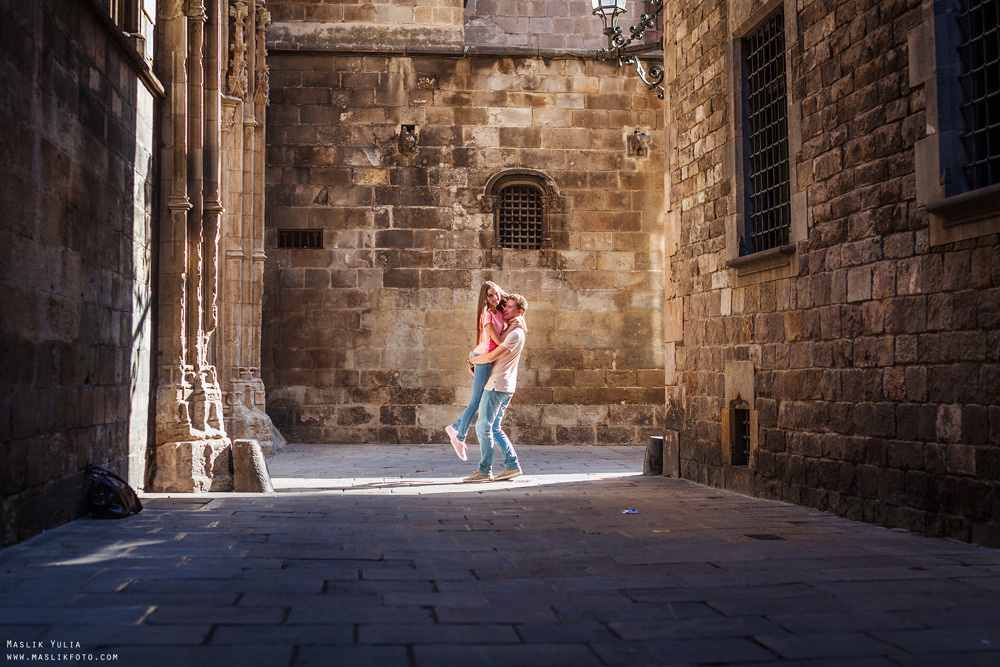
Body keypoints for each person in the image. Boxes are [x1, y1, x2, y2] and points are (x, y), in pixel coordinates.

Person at [445, 281, 522, 461]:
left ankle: (455, 428)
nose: (495, 297)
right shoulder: (487, 315)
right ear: (484, 299)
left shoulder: (500, 309)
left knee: (480, 401)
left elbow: (516, 306)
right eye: (490, 295)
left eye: (496, 293)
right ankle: (459, 435)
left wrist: (518, 320)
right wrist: (513, 326)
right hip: (483, 360)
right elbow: (499, 340)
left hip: (487, 361)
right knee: (477, 400)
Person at [463, 293, 528, 483]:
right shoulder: (513, 330)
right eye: (505, 305)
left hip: (497, 387)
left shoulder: (516, 334)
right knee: (494, 428)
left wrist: (471, 359)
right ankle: (512, 466)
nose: (504, 308)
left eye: (509, 306)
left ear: (519, 311)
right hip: (503, 385)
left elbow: (491, 356)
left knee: (483, 427)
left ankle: (484, 471)